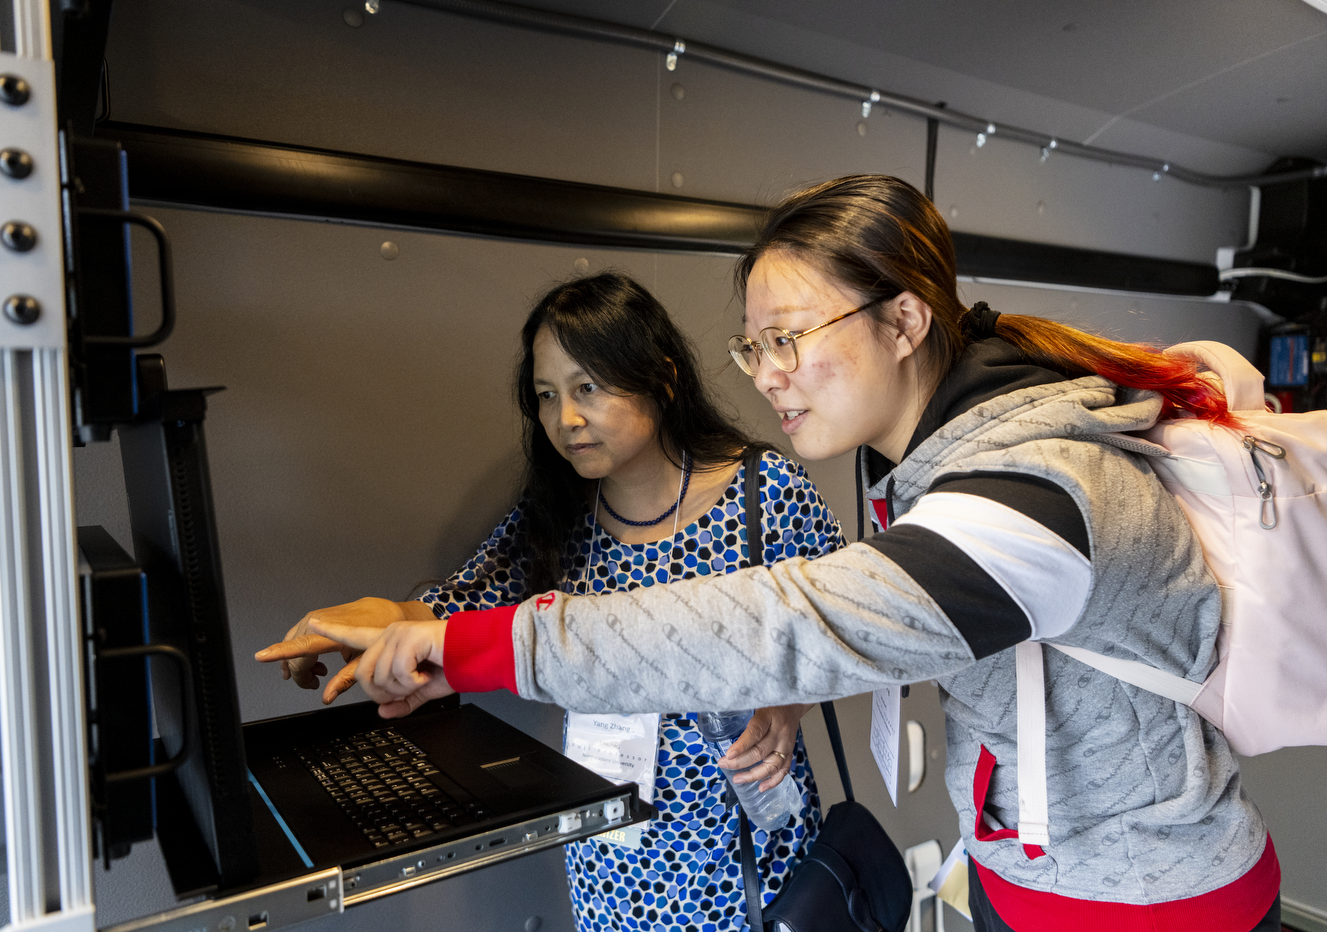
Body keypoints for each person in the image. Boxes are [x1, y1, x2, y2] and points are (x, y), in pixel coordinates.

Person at [295, 176, 1283, 932]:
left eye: (787, 338)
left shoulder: (1031, 495)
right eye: (751, 346)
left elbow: (783, 625)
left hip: (1147, 899)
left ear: (903, 320)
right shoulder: (931, 468)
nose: (766, 374)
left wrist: (455, 646)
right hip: (1031, 875)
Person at [257, 272, 848, 932]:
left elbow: (850, 628)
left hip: (742, 847)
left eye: (586, 388)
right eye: (546, 396)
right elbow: (461, 606)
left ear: (660, 375)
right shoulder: (560, 512)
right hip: (608, 849)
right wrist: (387, 619)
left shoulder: (764, 492)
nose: (565, 419)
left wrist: (785, 706)